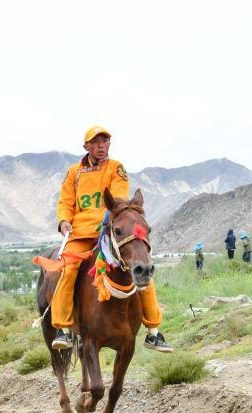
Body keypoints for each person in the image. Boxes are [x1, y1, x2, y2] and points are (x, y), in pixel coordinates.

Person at [51, 126, 171, 352]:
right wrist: (64, 221)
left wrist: (109, 220)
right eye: (96, 142)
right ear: (86, 146)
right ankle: (64, 329)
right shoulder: (74, 172)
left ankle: (154, 331)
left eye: (105, 142)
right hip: (80, 232)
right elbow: (65, 201)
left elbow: (117, 198)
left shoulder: (117, 168)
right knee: (67, 269)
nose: (101, 146)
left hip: (108, 230)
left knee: (140, 265)